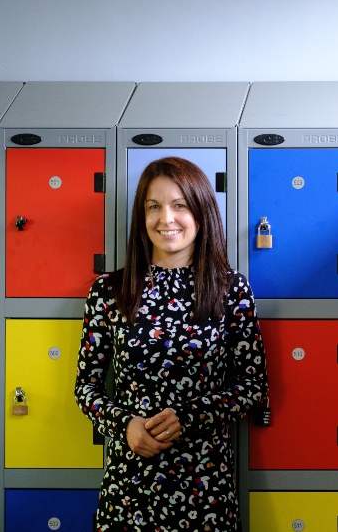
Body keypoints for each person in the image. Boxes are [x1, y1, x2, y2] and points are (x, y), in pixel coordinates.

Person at [75, 156, 268, 531]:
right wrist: (124, 424)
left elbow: (253, 386)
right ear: (141, 216)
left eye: (179, 205)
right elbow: (86, 387)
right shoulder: (110, 291)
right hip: (128, 483)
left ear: (201, 211)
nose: (166, 219)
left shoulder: (230, 289)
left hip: (204, 484)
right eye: (154, 207)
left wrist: (190, 416)